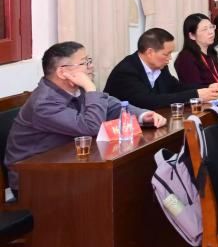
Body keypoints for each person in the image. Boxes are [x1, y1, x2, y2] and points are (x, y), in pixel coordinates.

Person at [6, 42, 164, 194]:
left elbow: (110, 105)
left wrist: (143, 115)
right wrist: (90, 88)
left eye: (89, 61)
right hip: (35, 179)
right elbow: (90, 127)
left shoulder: (75, 88)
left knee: (130, 175)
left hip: (70, 165)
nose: (91, 66)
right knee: (115, 185)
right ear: (62, 72)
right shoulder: (44, 103)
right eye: (85, 63)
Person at [104, 27, 218, 110]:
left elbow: (175, 87)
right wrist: (196, 95)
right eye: (166, 54)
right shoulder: (126, 71)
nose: (170, 58)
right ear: (150, 52)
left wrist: (207, 87)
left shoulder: (160, 66)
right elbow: (149, 101)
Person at [174, 13, 218, 88]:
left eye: (211, 27)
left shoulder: (211, 53)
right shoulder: (186, 58)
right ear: (192, 36)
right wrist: (211, 87)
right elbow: (193, 88)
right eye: (204, 29)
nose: (211, 32)